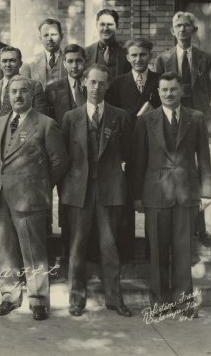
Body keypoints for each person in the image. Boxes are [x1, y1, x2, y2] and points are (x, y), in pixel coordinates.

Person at [0, 76, 68, 321]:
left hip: (30, 198)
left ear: (32, 95)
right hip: (0, 197)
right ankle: (9, 296)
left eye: (23, 91)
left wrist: (38, 184)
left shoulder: (45, 124)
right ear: (7, 96)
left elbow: (59, 162)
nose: (18, 96)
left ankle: (38, 300)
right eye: (13, 92)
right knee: (6, 251)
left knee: (34, 252)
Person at [133, 72, 211, 319]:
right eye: (164, 90)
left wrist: (206, 192)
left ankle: (184, 303)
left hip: (186, 194)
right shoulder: (147, 120)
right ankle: (159, 304)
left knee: (182, 252)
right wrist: (137, 197)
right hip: (156, 195)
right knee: (157, 252)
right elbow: (139, 162)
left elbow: (204, 158)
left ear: (181, 91)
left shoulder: (196, 118)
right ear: (158, 92)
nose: (169, 94)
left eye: (174, 89)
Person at [61, 64, 133, 318]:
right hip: (78, 191)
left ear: (107, 86)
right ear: (84, 84)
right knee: (77, 246)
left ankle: (115, 299)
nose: (96, 87)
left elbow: (129, 154)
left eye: (102, 83)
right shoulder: (71, 117)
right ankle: (76, 299)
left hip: (109, 190)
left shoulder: (120, 116)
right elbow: (64, 157)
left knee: (109, 246)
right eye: (92, 82)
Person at [155, 11, 211, 247]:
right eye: (178, 26)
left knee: (198, 169)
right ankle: (173, 225)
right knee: (174, 166)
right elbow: (161, 89)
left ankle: (199, 228)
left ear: (194, 30)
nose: (182, 30)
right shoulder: (163, 59)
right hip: (172, 116)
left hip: (196, 118)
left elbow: (208, 90)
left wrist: (204, 118)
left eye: (187, 26)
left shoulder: (205, 58)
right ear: (172, 31)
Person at [106, 38, 161, 260]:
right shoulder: (118, 83)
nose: (139, 59)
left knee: (153, 201)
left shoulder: (159, 81)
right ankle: (126, 254)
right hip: (127, 149)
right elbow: (111, 115)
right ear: (127, 58)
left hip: (155, 148)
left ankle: (153, 254)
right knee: (127, 199)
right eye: (134, 55)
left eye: (143, 55)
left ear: (150, 56)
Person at [44, 43, 87, 264]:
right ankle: (67, 251)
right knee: (66, 203)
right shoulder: (53, 89)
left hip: (90, 157)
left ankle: (87, 253)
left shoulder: (94, 85)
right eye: (69, 61)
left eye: (78, 60)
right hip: (64, 156)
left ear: (84, 62)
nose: (74, 65)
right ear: (64, 63)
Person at [0, 46, 48, 130]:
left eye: (12, 61)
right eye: (4, 61)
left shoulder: (34, 86)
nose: (8, 65)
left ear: (20, 64)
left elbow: (40, 119)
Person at [85, 9, 131, 80]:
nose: (106, 28)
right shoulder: (86, 53)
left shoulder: (127, 51)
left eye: (109, 24)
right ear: (97, 25)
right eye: (102, 24)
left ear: (117, 26)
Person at [28, 18, 67, 87]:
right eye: (46, 35)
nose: (49, 39)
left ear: (61, 36)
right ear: (40, 38)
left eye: (53, 34)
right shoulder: (31, 64)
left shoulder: (70, 60)